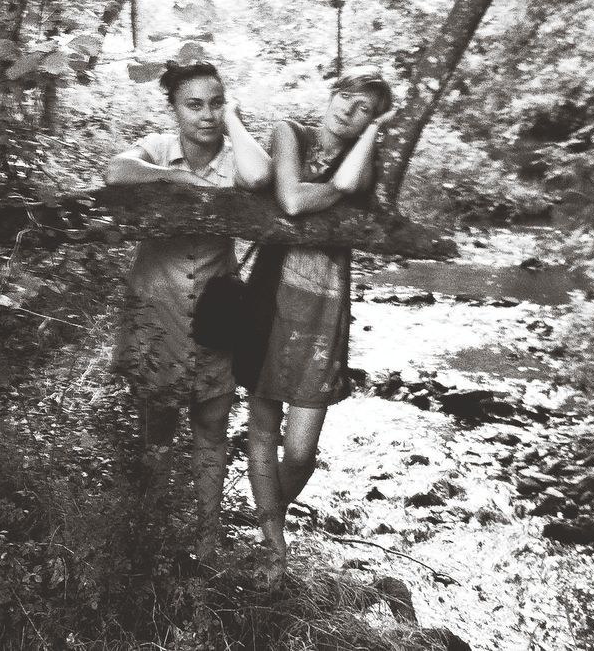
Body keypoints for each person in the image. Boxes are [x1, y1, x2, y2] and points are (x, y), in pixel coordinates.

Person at [106, 60, 272, 564]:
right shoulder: (157, 148)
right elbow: (116, 171)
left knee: (212, 427)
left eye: (215, 102)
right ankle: (147, 520)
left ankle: (207, 535)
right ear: (174, 109)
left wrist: (236, 121)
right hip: (156, 311)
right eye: (193, 104)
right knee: (156, 422)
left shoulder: (235, 156)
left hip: (216, 314)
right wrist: (177, 180)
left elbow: (260, 177)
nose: (206, 114)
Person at [244, 65, 396, 580]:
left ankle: (269, 520)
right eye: (348, 98)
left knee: (302, 452)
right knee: (262, 429)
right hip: (269, 298)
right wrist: (331, 189)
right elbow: (289, 200)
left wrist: (372, 138)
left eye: (365, 112)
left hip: (325, 311)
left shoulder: (365, 160)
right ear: (333, 93)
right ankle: (273, 547)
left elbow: (351, 183)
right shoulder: (291, 132)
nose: (350, 112)